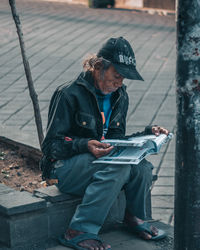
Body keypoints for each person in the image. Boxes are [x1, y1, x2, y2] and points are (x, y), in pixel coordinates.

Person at [40, 37, 169, 250]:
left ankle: (133, 217)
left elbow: (115, 139)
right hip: (64, 169)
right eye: (116, 76)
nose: (120, 83)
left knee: (142, 166)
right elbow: (51, 146)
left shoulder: (119, 95)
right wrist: (84, 145)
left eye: (124, 78)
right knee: (117, 170)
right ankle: (78, 230)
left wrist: (147, 135)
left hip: (97, 163)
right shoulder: (68, 94)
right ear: (98, 67)